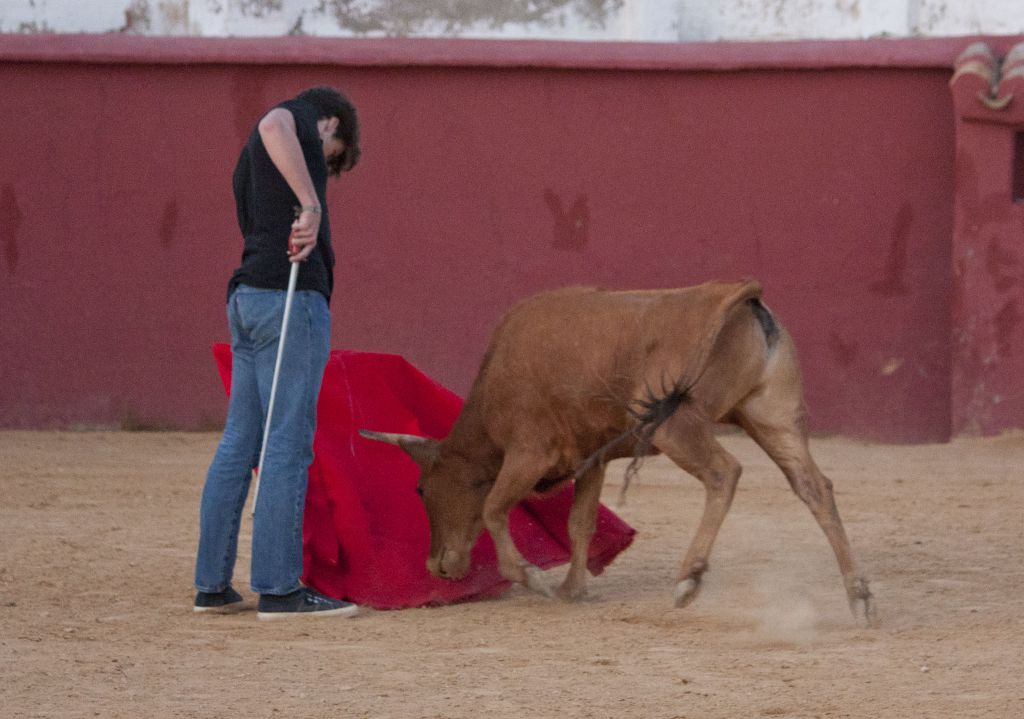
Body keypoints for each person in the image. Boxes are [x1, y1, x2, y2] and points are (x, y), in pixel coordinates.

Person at [193, 86, 361, 620]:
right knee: (285, 442)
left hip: (247, 296)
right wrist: (310, 204)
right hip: (289, 298)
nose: (322, 171)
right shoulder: (295, 120)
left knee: (240, 441)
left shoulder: (250, 163)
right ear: (331, 123)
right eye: (331, 157)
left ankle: (212, 587)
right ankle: (280, 588)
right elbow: (274, 124)